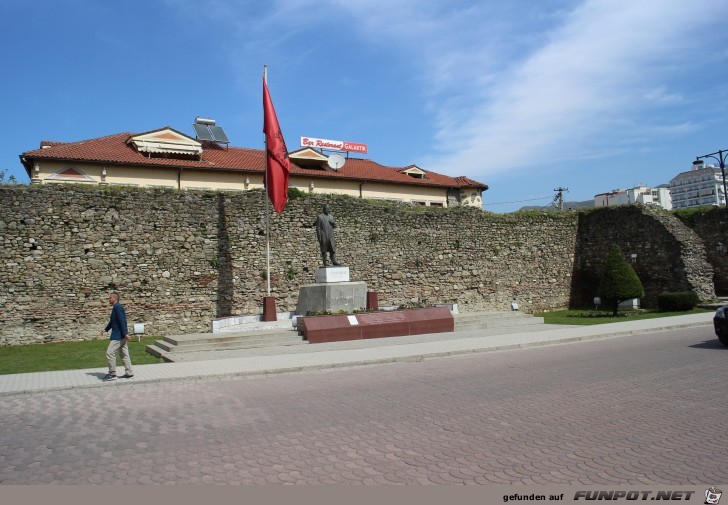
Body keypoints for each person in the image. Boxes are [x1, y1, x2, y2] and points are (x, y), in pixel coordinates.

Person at [101, 292, 133, 381]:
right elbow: (113, 321)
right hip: (120, 335)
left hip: (118, 336)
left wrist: (125, 333)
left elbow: (122, 320)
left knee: (110, 353)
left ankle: (112, 374)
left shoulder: (118, 307)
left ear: (114, 298)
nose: (108, 299)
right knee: (124, 355)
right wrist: (106, 329)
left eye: (110, 298)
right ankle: (129, 373)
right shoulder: (115, 307)